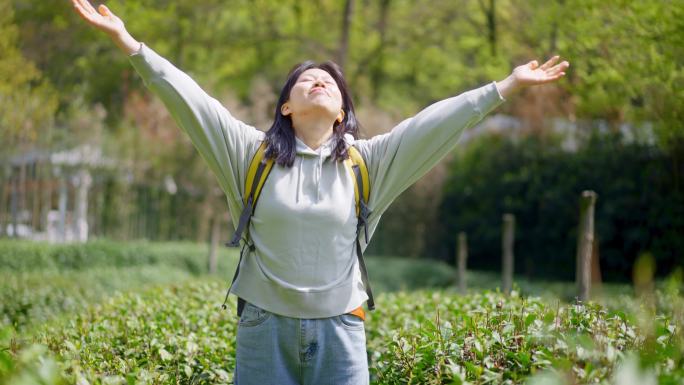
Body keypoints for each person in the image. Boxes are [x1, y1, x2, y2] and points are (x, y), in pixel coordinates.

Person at [71, 1, 570, 384]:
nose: (318, 81)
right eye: (305, 80)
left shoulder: (367, 162)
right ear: (286, 107)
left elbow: (432, 124)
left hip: (341, 332)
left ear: (342, 111)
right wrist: (130, 44)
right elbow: (191, 102)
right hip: (263, 330)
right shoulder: (250, 154)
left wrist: (505, 86)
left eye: (328, 81)